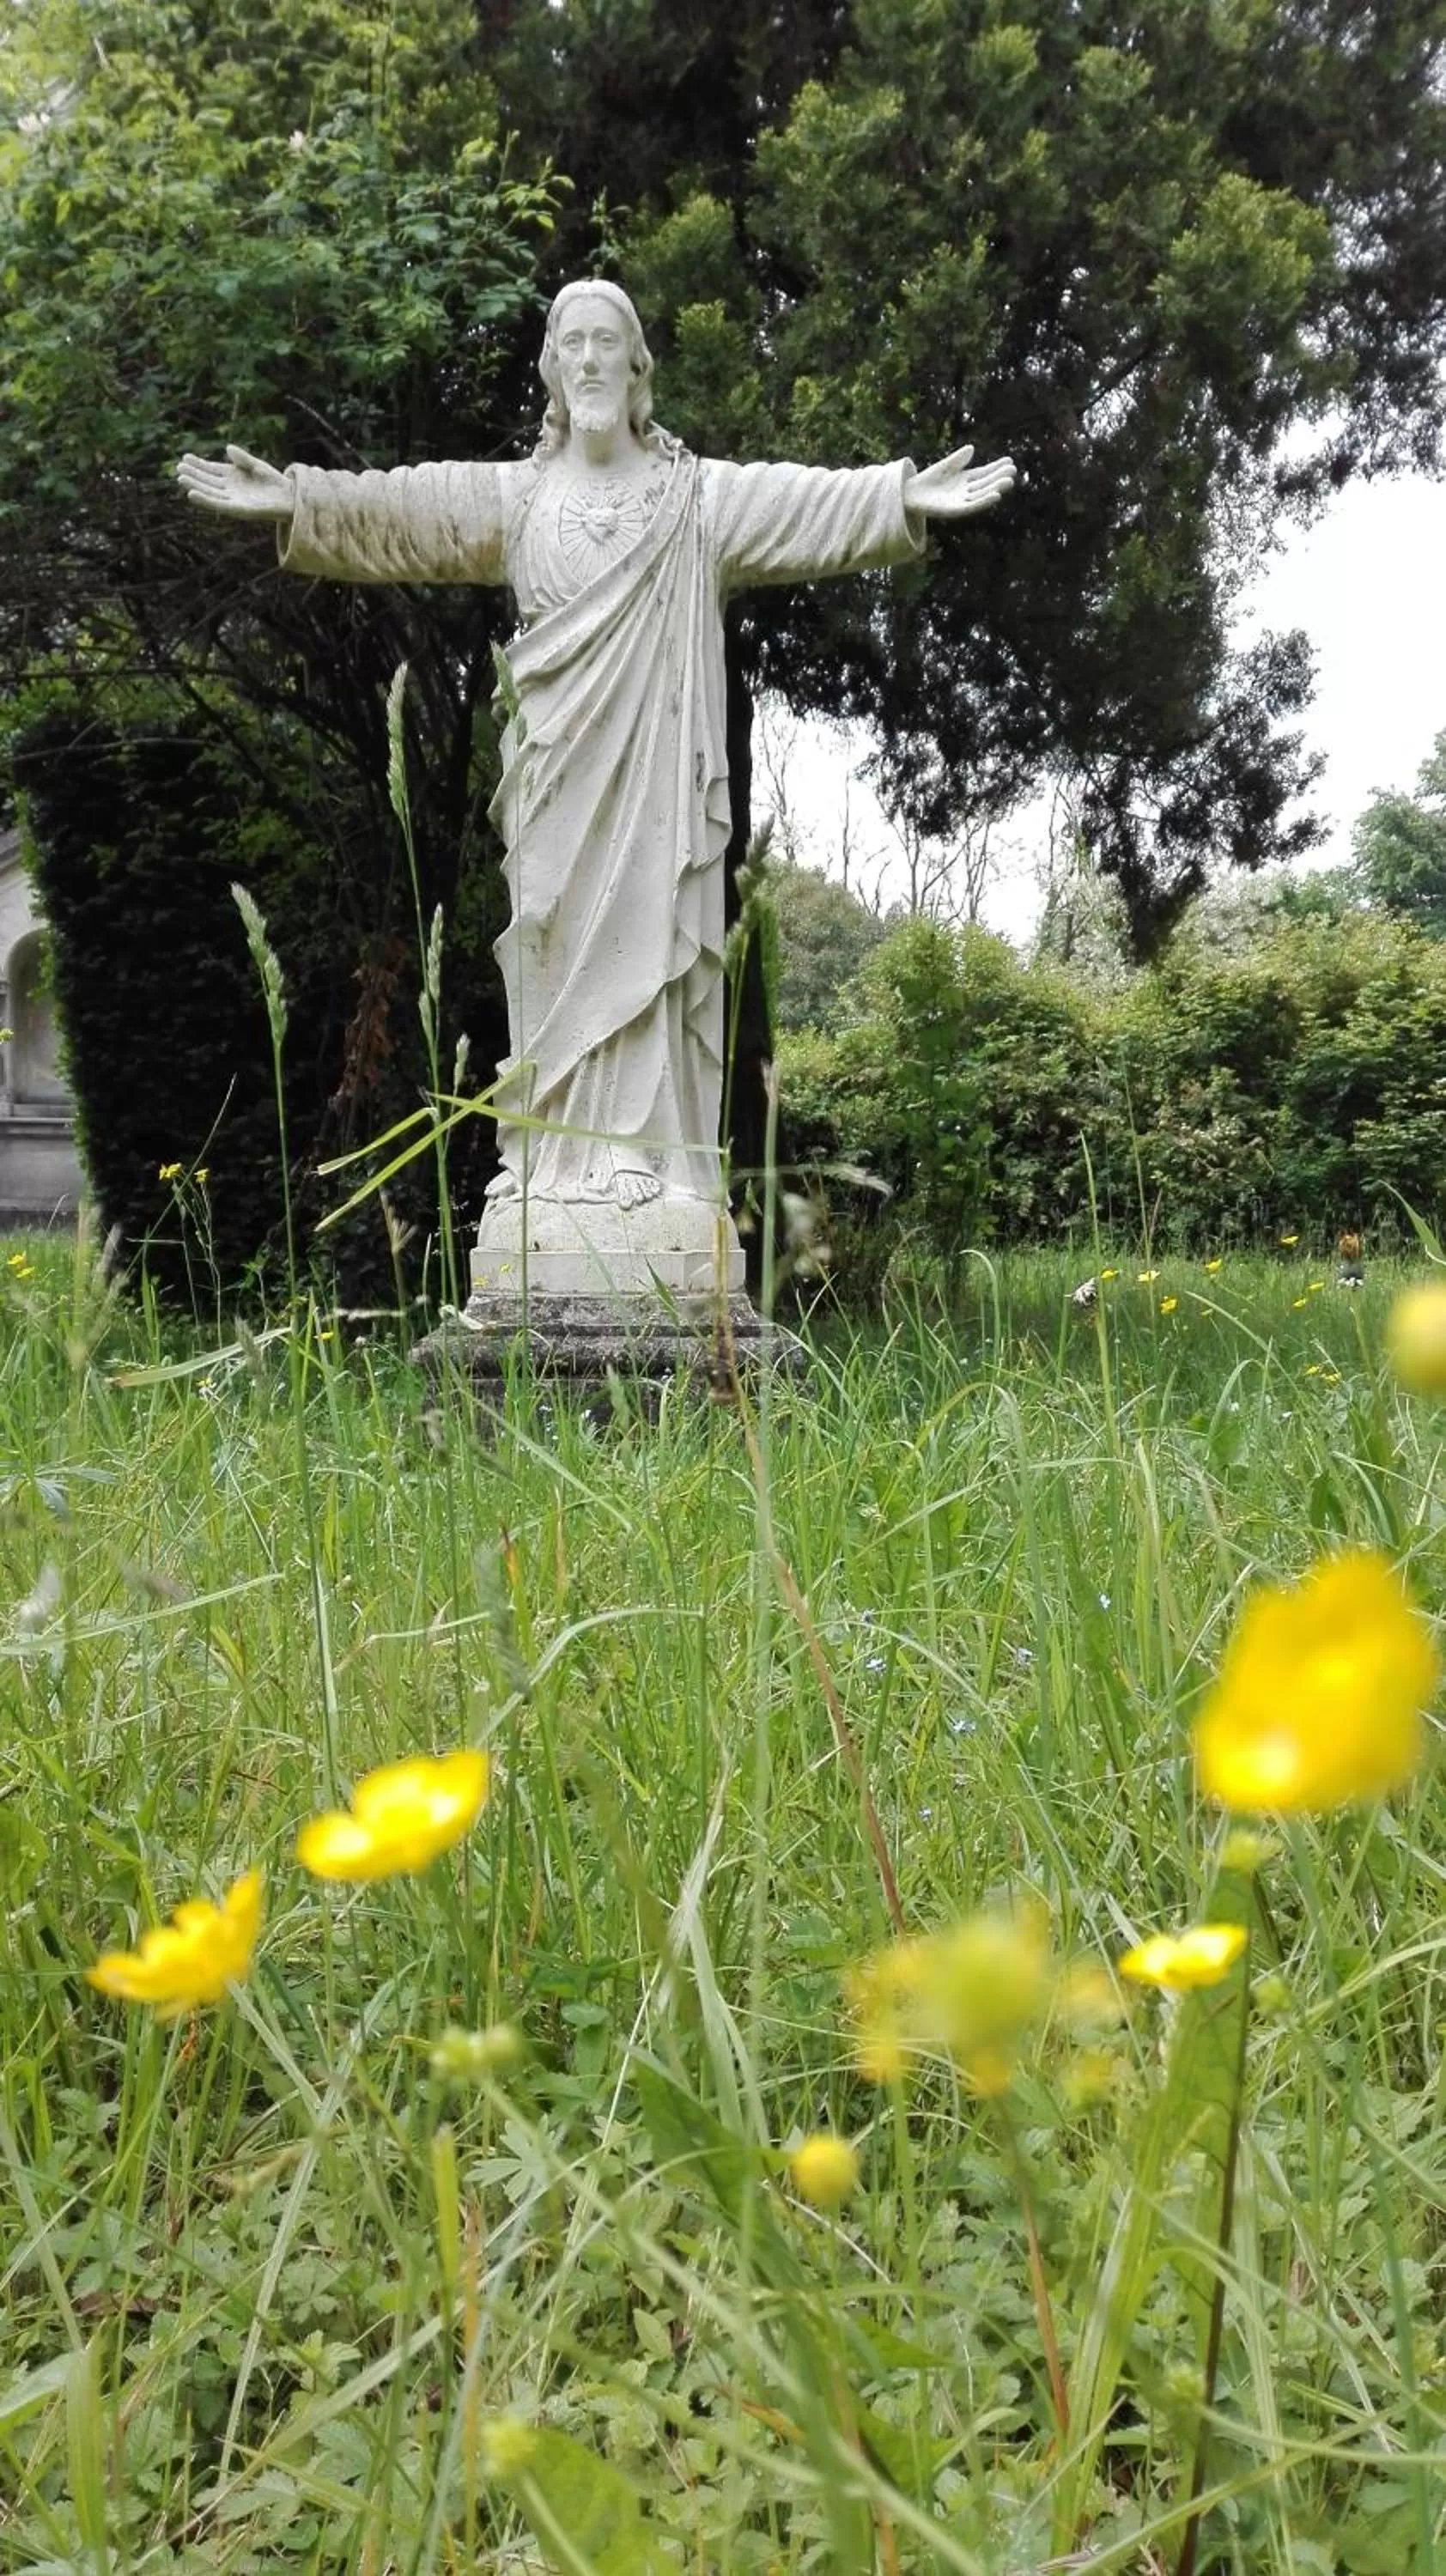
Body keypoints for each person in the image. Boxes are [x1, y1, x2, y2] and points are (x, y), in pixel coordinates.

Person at [179, 279, 1014, 1246]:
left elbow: (798, 503)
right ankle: (551, 1161)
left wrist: (894, 495)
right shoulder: (519, 497)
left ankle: (658, 1168)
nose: (586, 359)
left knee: (653, 955)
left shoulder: (694, 496)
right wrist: (302, 499)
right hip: (553, 788)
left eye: (604, 341)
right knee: (556, 953)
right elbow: (410, 511)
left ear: (636, 365)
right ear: (551, 366)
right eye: (569, 342)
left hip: (655, 785)